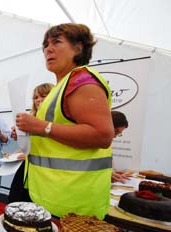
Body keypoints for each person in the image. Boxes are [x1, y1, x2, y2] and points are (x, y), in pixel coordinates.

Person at [16, 23, 114, 220]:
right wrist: (29, 131)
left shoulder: (81, 81)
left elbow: (102, 135)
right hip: (54, 194)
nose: (48, 49)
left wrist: (40, 127)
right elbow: (55, 133)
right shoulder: (61, 86)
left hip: (72, 201)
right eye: (45, 45)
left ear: (78, 48)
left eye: (56, 42)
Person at [8, 83, 53, 203]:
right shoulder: (30, 118)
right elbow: (27, 146)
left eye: (43, 96)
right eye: (36, 97)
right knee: (15, 203)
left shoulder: (56, 120)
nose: (39, 100)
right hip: (26, 171)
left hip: (46, 174)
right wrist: (14, 152)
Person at [111, 110, 130, 183]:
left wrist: (114, 174)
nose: (115, 136)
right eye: (115, 132)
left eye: (119, 134)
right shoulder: (91, 141)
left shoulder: (107, 144)